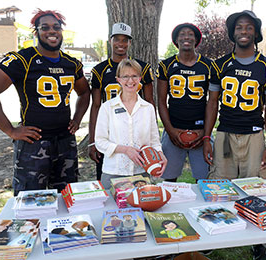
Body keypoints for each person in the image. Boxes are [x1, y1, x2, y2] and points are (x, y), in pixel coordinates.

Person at [0, 9, 90, 196]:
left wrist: (77, 120)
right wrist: (10, 130)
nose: (51, 31)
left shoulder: (72, 63)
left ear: (62, 31)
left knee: (67, 199)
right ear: (36, 32)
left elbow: (84, 92)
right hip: (34, 142)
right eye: (44, 27)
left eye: (56, 27)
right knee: (29, 201)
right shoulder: (22, 59)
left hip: (65, 141)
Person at [203, 10, 266, 259]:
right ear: (232, 33)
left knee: (256, 187)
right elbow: (212, 103)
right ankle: (216, 228)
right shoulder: (220, 65)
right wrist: (207, 137)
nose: (243, 31)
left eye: (248, 27)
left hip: (255, 134)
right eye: (239, 28)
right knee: (219, 185)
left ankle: (259, 240)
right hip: (225, 134)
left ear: (255, 32)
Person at [89, 22, 155, 181]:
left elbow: (149, 100)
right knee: (109, 180)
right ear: (110, 41)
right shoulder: (99, 70)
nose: (121, 44)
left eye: (125, 40)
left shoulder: (142, 68)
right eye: (117, 39)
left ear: (130, 43)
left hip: (136, 124)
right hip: (111, 130)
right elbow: (96, 106)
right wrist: (93, 141)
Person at [95, 59, 167, 189]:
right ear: (118, 80)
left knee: (142, 208)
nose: (130, 81)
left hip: (142, 173)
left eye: (134, 76)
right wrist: (125, 150)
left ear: (140, 78)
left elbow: (154, 141)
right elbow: (100, 142)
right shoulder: (107, 107)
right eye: (125, 77)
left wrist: (160, 155)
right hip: (113, 173)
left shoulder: (148, 108)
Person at [157, 23, 213, 182]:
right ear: (176, 40)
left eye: (190, 34)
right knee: (168, 180)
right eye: (182, 34)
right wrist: (171, 131)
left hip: (200, 129)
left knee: (205, 180)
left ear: (196, 40)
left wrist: (205, 133)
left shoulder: (208, 65)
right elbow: (161, 101)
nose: (186, 37)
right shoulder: (166, 65)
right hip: (174, 127)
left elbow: (212, 103)